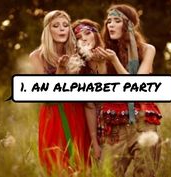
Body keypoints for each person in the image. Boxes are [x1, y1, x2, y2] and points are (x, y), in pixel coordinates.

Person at [95, 4, 162, 177]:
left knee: (145, 173)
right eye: (108, 21)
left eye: (117, 21)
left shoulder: (148, 49)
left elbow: (137, 87)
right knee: (107, 173)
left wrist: (115, 61)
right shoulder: (106, 52)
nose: (110, 25)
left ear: (129, 25)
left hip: (143, 123)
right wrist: (101, 63)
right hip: (115, 126)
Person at [29, 10, 91, 173]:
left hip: (76, 111)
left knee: (80, 162)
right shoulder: (37, 56)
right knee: (56, 162)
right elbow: (48, 93)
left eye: (65, 25)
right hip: (53, 112)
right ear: (48, 31)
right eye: (56, 26)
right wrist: (61, 70)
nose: (62, 29)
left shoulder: (77, 53)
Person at [72, 19, 106, 159]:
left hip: (119, 120)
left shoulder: (111, 56)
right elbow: (89, 106)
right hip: (95, 126)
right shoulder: (79, 68)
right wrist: (95, 143)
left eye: (87, 33)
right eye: (79, 37)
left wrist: (102, 63)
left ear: (96, 34)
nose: (84, 38)